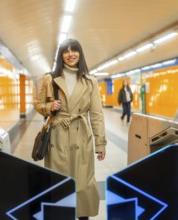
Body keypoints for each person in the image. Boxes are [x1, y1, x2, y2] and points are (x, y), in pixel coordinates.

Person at [35, 39, 107, 220]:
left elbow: (96, 114)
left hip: (82, 136)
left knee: (84, 183)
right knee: (59, 181)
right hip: (57, 137)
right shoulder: (49, 79)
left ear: (80, 54)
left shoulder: (90, 81)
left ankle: (83, 216)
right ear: (61, 56)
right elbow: (39, 104)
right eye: (65, 52)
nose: (70, 54)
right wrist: (49, 106)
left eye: (74, 50)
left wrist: (100, 143)